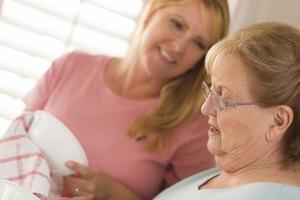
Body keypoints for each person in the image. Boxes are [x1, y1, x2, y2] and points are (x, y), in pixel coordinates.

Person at [24, 0, 230, 199]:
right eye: (177, 25)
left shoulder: (194, 126)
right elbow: (13, 142)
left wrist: (114, 194)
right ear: (151, 15)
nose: (178, 47)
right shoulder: (70, 67)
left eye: (198, 43)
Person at [154, 22, 300, 200]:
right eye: (211, 90)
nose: (205, 108)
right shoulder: (233, 172)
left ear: (277, 121)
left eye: (222, 99)